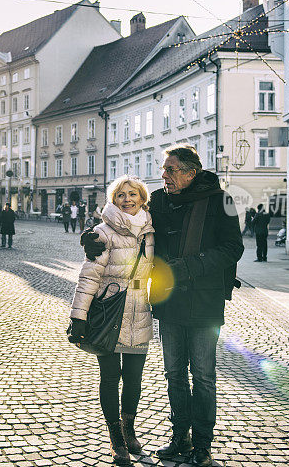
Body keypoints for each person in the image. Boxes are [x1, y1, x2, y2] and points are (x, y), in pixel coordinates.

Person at [81, 144, 243, 466]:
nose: (163, 175)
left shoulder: (221, 200)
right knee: (174, 374)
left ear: (189, 173)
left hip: (205, 304)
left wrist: (190, 266)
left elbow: (232, 248)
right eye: (163, 169)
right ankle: (179, 436)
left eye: (169, 169)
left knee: (204, 375)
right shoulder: (162, 201)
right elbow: (131, 225)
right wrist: (92, 237)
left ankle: (202, 446)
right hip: (169, 303)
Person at [68, 176, 155, 466]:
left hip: (139, 312)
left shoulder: (150, 231)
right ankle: (116, 438)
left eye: (133, 194)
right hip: (108, 312)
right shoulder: (102, 234)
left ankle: (129, 429)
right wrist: (78, 316)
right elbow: (88, 277)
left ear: (142, 198)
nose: (127, 199)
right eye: (120, 195)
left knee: (134, 379)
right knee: (110, 377)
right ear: (113, 199)